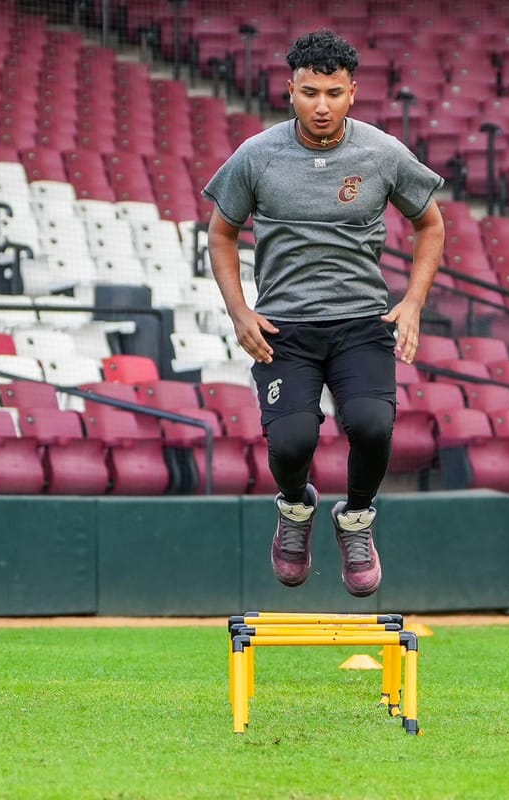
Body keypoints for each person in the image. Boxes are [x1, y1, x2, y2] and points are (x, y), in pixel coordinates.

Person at [202, 30, 445, 597]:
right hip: (284, 328)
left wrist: (412, 301)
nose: (321, 105)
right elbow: (221, 232)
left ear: (353, 93)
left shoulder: (382, 153)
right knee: (290, 445)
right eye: (309, 92)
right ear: (290, 89)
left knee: (372, 427)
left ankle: (356, 520)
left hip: (362, 324)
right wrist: (239, 312)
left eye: (333, 93)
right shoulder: (257, 155)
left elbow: (431, 223)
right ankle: (294, 509)